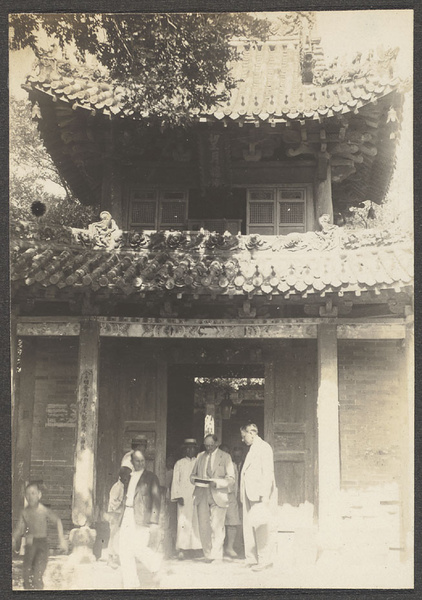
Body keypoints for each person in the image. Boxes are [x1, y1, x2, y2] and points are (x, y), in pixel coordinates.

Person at [118, 450, 162, 588]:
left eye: (143, 460)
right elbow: (122, 467)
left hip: (142, 516)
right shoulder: (127, 477)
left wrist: (154, 521)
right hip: (127, 514)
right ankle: (131, 585)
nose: (141, 463)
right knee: (124, 550)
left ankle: (156, 563)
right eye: (137, 460)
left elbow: (156, 500)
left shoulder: (151, 477)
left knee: (138, 547)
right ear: (132, 462)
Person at [12, 482, 68, 590]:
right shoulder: (25, 512)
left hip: (42, 544)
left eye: (33, 493)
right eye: (27, 494)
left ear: (39, 495)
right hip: (30, 545)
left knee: (37, 574)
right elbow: (19, 528)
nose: (30, 496)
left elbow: (57, 520)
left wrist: (61, 539)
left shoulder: (43, 510)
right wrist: (13, 539)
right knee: (27, 574)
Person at [190, 434, 235, 563]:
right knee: (204, 526)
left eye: (211, 445)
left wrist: (218, 483)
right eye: (206, 445)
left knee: (217, 526)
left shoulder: (225, 457)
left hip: (218, 494)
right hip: (202, 494)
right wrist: (196, 480)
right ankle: (208, 555)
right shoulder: (200, 456)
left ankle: (217, 556)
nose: (208, 448)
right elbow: (192, 475)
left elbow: (231, 479)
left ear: (217, 443)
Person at [240, 423, 277, 572]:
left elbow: (267, 472)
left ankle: (264, 560)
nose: (243, 440)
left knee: (261, 526)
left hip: (258, 494)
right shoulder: (252, 449)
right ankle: (252, 558)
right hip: (249, 493)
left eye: (244, 436)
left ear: (252, 433)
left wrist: (264, 495)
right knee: (249, 527)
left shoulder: (264, 448)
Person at [171, 439, 202, 560]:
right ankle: (182, 548)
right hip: (183, 496)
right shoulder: (179, 463)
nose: (190, 450)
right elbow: (175, 480)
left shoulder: (199, 462)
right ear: (184, 449)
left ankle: (196, 548)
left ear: (196, 449)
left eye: (192, 448)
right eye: (187, 448)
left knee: (196, 521)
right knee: (183, 522)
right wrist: (177, 496)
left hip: (196, 495)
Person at [105, 466, 131, 568]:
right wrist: (121, 503)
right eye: (128, 477)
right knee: (113, 535)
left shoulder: (123, 487)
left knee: (119, 536)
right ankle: (111, 558)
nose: (128, 479)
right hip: (114, 514)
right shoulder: (117, 487)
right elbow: (113, 502)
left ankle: (117, 557)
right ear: (123, 476)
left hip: (119, 514)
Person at [219, 444, 241, 558]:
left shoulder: (232, 465)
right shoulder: (216, 465)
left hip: (231, 496)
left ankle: (230, 547)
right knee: (218, 523)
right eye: (224, 452)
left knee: (232, 522)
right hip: (219, 496)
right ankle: (219, 547)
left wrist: (236, 496)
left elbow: (236, 482)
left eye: (228, 452)